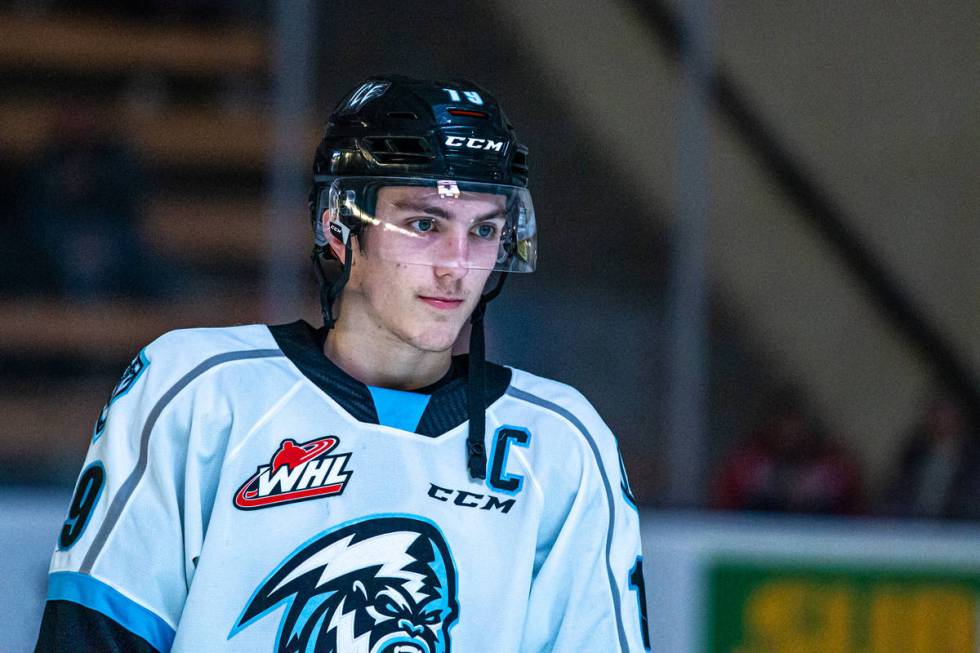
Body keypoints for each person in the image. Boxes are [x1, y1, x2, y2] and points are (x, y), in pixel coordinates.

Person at [35, 76, 649, 652]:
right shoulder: (203, 389)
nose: (457, 265)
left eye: (484, 231)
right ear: (338, 225)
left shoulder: (562, 444)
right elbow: (94, 633)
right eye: (424, 223)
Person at [712, 388, 862, 515]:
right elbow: (724, 511)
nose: (789, 433)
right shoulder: (746, 463)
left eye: (795, 425)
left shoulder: (835, 466)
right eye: (783, 425)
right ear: (770, 425)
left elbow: (857, 514)